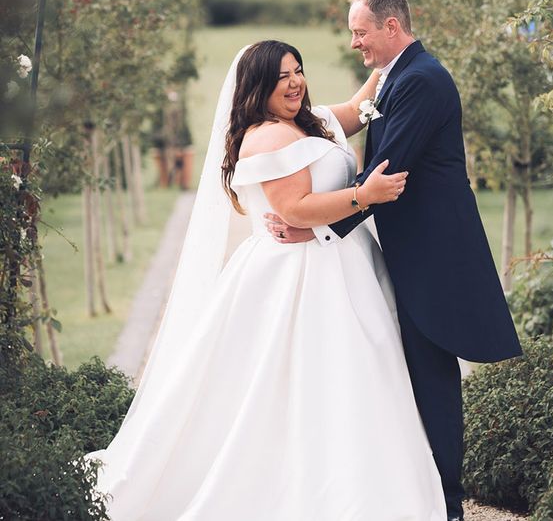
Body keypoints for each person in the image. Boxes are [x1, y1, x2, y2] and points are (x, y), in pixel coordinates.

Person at [86, 40, 447, 520]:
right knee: (301, 381)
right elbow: (294, 209)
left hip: (345, 266)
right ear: (257, 87)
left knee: (359, 378)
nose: (294, 82)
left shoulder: (308, 122)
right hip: (296, 278)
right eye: (281, 77)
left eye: (297, 70)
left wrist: (393, 56)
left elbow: (362, 107)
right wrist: (365, 194)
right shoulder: (264, 138)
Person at [266, 0, 523, 521]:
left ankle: (446, 504)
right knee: (412, 373)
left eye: (361, 33)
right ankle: (425, 492)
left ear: (391, 27)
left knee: (432, 375)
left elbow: (387, 174)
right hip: (411, 253)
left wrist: (316, 229)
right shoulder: (397, 76)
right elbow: (360, 118)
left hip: (436, 255)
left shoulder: (423, 80)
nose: (355, 44)